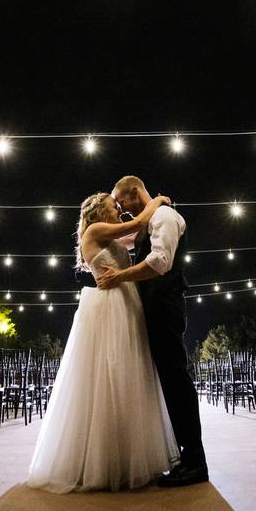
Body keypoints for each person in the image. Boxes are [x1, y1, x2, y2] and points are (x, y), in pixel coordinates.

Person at [27, 191, 179, 493]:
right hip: (108, 305)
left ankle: (124, 461)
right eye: (114, 206)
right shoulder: (95, 231)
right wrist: (158, 201)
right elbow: (138, 222)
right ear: (98, 211)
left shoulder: (108, 238)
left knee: (126, 378)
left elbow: (135, 233)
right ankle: (100, 464)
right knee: (105, 378)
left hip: (124, 302)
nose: (119, 209)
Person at [97, 175, 208, 487]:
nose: (120, 207)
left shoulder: (166, 217)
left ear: (136, 193)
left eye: (121, 201)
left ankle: (195, 461)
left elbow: (160, 262)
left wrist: (120, 277)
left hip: (167, 309)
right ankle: (182, 457)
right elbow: (123, 238)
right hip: (153, 312)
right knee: (167, 383)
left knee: (176, 380)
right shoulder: (148, 222)